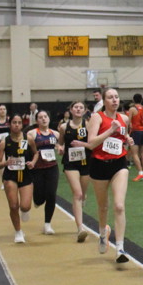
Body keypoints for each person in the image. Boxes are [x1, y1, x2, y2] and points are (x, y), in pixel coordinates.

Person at [86, 87, 132, 264]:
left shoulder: (124, 118)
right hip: (99, 165)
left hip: (119, 164)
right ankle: (102, 233)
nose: (114, 100)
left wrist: (127, 139)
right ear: (104, 101)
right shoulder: (97, 118)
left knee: (119, 205)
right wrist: (109, 131)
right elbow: (91, 143)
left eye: (117, 97)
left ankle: (120, 248)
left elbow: (123, 137)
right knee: (103, 206)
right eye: (111, 97)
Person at [0, 114, 36, 243]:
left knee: (25, 206)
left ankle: (24, 211)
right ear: (9, 124)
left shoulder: (29, 139)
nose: (17, 125)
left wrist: (33, 162)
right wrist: (5, 163)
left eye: (19, 122)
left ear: (22, 125)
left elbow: (36, 153)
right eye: (14, 122)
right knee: (13, 206)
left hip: (26, 175)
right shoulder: (4, 143)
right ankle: (18, 232)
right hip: (10, 176)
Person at [58, 101, 91, 242]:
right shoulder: (64, 127)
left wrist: (83, 144)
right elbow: (60, 143)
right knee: (77, 194)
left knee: (82, 194)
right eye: (76, 107)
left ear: (85, 111)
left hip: (86, 162)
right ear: (71, 110)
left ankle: (83, 197)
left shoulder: (88, 125)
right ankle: (80, 229)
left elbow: (93, 143)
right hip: (70, 163)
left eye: (81, 107)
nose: (78, 109)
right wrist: (60, 148)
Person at [27, 110, 60, 235]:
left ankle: (47, 224)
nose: (43, 119)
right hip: (37, 169)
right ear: (37, 121)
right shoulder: (32, 133)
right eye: (40, 117)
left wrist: (60, 148)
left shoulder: (55, 134)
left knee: (51, 195)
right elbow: (26, 148)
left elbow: (60, 145)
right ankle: (37, 200)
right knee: (39, 198)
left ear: (49, 119)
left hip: (52, 167)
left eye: (45, 116)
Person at [127, 93, 143, 182]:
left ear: (133, 100)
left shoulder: (132, 109)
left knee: (134, 153)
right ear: (141, 99)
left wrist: (127, 131)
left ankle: (140, 173)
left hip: (135, 132)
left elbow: (128, 122)